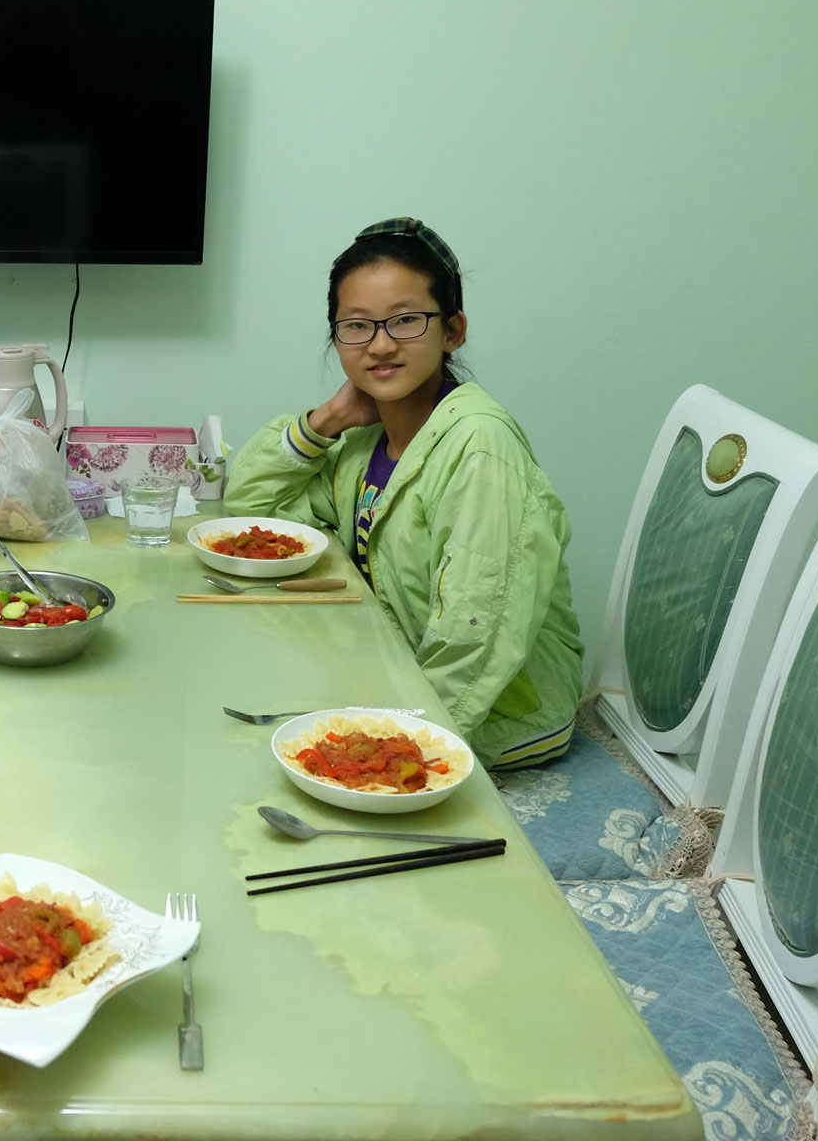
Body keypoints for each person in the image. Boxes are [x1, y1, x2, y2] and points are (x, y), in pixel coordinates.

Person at [224, 218, 582, 770]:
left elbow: (475, 639)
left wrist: (396, 757)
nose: (381, 345)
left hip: (497, 719)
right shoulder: (365, 441)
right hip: (400, 680)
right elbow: (251, 512)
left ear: (453, 330)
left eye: (407, 321)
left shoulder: (479, 448)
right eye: (357, 327)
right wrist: (330, 417)